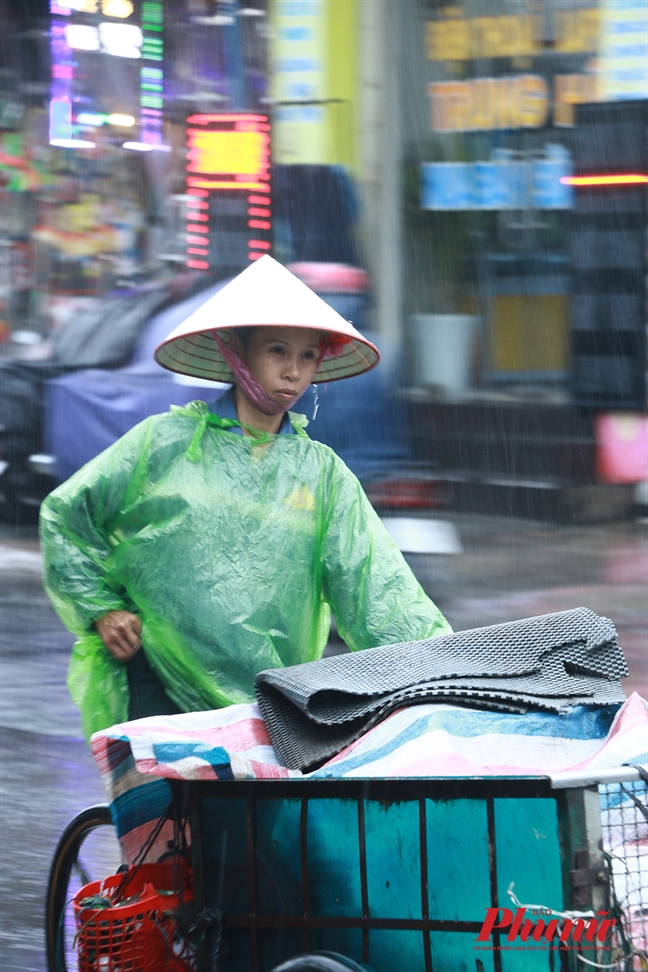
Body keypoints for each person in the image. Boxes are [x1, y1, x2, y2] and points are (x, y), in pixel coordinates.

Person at [40, 256, 451, 741]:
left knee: (250, 819)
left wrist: (443, 672)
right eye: (277, 351)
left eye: (306, 357)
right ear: (236, 350)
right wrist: (103, 608)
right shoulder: (164, 443)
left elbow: (376, 588)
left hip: (266, 708)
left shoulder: (322, 475)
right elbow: (66, 518)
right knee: (165, 818)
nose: (293, 373)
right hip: (156, 688)